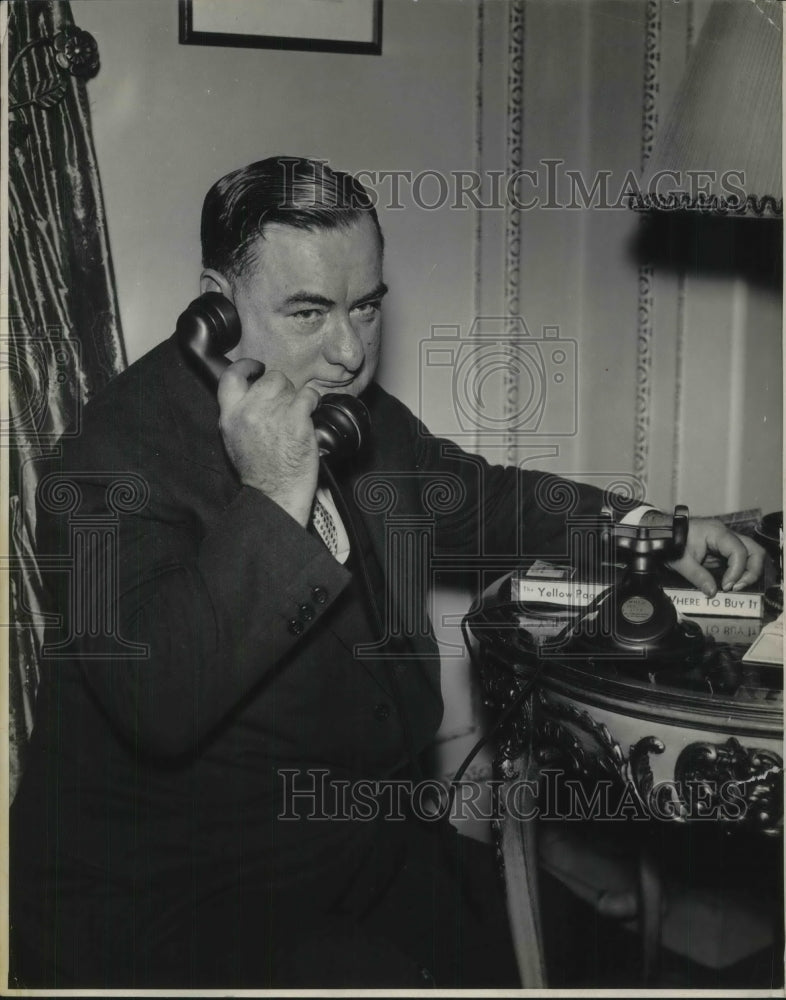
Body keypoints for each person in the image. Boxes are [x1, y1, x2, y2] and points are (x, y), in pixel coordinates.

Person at [9, 156, 765, 989]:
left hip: (355, 849)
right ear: (215, 304)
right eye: (309, 312)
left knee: (600, 965)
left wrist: (650, 531)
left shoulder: (355, 415)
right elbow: (159, 702)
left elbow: (484, 502)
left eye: (366, 308)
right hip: (168, 902)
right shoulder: (108, 458)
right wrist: (270, 492)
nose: (348, 353)